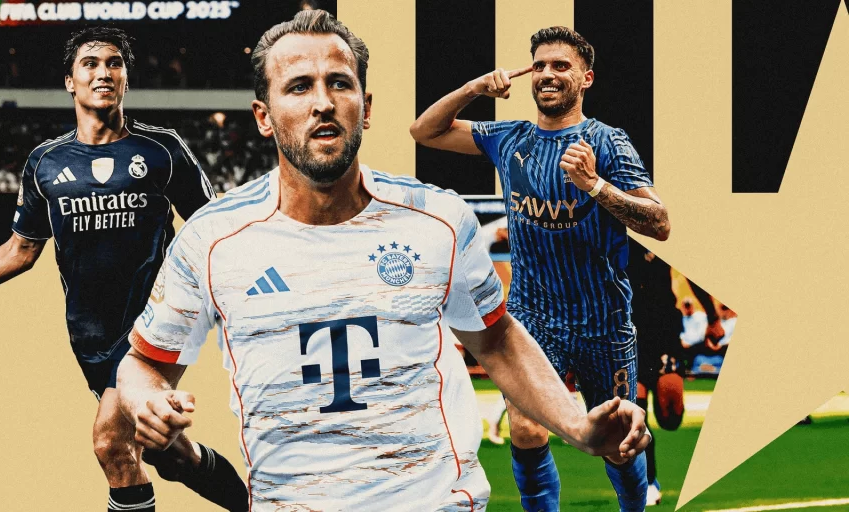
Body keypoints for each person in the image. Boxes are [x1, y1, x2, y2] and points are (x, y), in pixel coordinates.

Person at [116, 11, 651, 511]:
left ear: (366, 108)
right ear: (264, 116)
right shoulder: (212, 239)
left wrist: (577, 427)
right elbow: (143, 364)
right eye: (299, 87)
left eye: (339, 83)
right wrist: (147, 402)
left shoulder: (439, 219)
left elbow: (496, 340)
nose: (323, 103)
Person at [0, 27, 247, 512]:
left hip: (155, 323)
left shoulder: (162, 150)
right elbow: (20, 250)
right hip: (89, 334)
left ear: (126, 79)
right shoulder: (46, 163)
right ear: (70, 81)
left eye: (114, 63)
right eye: (90, 63)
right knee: (167, 454)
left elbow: (213, 233)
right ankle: (256, 503)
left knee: (111, 444)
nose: (103, 72)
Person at [410, 26, 670, 511]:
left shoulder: (607, 142)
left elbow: (659, 223)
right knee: (527, 429)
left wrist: (595, 186)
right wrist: (473, 89)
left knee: (618, 444)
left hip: (603, 320)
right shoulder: (509, 137)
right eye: (540, 65)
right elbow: (424, 131)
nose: (548, 74)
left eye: (561, 65)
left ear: (586, 78)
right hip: (532, 317)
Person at [627, 242, 687, 505]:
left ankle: (648, 480)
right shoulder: (613, 233)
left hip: (664, 332)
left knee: (670, 419)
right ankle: (649, 481)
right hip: (629, 330)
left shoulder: (664, 231)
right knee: (636, 418)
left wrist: (712, 316)